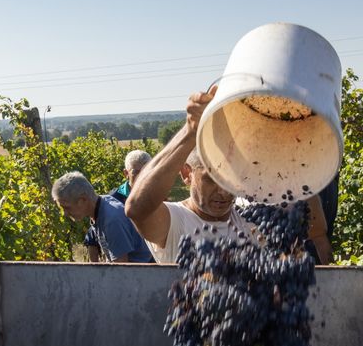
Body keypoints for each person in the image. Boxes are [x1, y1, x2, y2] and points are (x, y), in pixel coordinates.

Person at [125, 88, 333, 264]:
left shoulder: (250, 220)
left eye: (229, 178)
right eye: (211, 179)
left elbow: (314, 226)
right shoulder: (176, 221)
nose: (224, 191)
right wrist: (190, 131)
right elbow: (136, 208)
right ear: (187, 173)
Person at [53, 171, 154, 263]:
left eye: (66, 207)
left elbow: (121, 270)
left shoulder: (111, 221)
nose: (65, 213)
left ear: (83, 200)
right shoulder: (101, 204)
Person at [84, 149, 152, 262]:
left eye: (146, 171)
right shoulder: (114, 201)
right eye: (136, 172)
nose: (142, 177)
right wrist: (95, 271)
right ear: (126, 173)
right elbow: (92, 238)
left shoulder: (156, 197)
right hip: (130, 267)